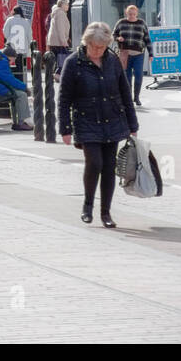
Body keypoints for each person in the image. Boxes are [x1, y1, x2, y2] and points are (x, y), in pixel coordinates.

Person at [59, 23, 139, 227]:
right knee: (95, 163)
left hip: (112, 119)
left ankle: (106, 213)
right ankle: (87, 205)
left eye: (102, 47)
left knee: (109, 166)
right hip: (86, 120)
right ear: (86, 43)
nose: (98, 51)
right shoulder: (73, 63)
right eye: (95, 47)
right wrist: (65, 128)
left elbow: (124, 92)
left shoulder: (112, 60)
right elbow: (64, 98)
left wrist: (133, 123)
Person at [0, 44, 34, 131]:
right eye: (13, 59)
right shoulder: (1, 62)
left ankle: (16, 121)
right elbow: (10, 79)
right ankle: (21, 122)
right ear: (10, 56)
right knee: (22, 95)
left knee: (15, 93)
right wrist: (24, 87)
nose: (13, 62)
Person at [112, 4, 152, 105]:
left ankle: (137, 97)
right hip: (125, 54)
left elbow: (147, 39)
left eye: (134, 14)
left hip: (139, 54)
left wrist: (151, 54)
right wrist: (118, 38)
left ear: (137, 14)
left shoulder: (142, 23)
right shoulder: (121, 23)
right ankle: (128, 98)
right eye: (130, 14)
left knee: (139, 75)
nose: (132, 16)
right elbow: (113, 34)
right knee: (127, 77)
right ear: (126, 13)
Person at [47, 0, 71, 73]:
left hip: (54, 41)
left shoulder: (57, 12)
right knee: (61, 60)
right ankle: (58, 74)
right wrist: (64, 41)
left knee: (57, 60)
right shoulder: (61, 14)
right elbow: (60, 29)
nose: (68, 6)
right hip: (59, 42)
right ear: (62, 5)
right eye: (67, 4)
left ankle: (55, 74)